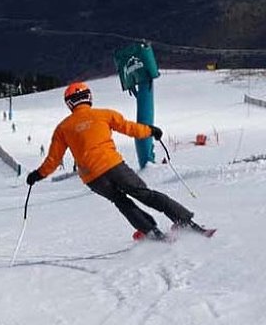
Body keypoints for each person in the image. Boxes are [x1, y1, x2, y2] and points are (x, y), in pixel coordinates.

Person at [26, 82, 212, 240]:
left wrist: (37, 175)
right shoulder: (104, 114)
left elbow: (53, 159)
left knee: (121, 201)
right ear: (89, 98)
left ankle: (150, 231)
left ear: (69, 104)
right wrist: (151, 131)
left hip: (93, 178)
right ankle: (184, 221)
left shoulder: (63, 128)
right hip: (114, 166)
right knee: (144, 194)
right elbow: (129, 128)